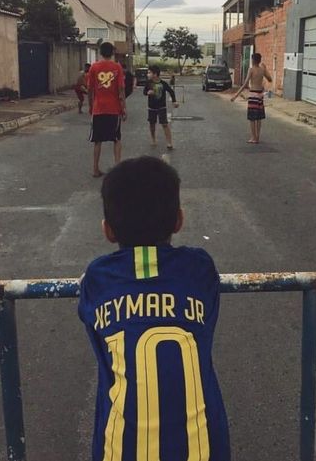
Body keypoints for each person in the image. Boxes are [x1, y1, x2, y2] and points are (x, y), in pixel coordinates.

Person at [78, 156, 230, 461]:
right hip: (205, 452)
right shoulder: (199, 268)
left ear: (108, 230)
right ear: (179, 221)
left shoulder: (97, 278)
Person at [87, 42, 126, 177]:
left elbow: (90, 90)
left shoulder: (94, 67)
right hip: (114, 109)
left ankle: (95, 169)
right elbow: (121, 89)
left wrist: (91, 107)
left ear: (100, 52)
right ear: (112, 53)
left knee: (97, 140)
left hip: (98, 109)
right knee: (116, 139)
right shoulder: (117, 67)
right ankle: (117, 168)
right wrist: (124, 108)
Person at [230, 52, 272, 143]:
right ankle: (257, 137)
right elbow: (270, 79)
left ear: (253, 60)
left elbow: (245, 84)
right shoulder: (262, 70)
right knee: (259, 118)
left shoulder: (251, 69)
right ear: (259, 60)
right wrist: (266, 69)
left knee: (252, 118)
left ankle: (253, 137)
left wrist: (235, 95)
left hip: (253, 95)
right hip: (260, 95)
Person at [143, 65, 179, 149]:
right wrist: (148, 92)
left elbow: (171, 91)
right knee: (152, 124)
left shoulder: (163, 83)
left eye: (149, 72)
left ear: (155, 74)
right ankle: (153, 139)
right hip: (151, 107)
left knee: (165, 124)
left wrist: (174, 101)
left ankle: (169, 142)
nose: (147, 74)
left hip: (162, 107)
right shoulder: (148, 83)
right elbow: (144, 92)